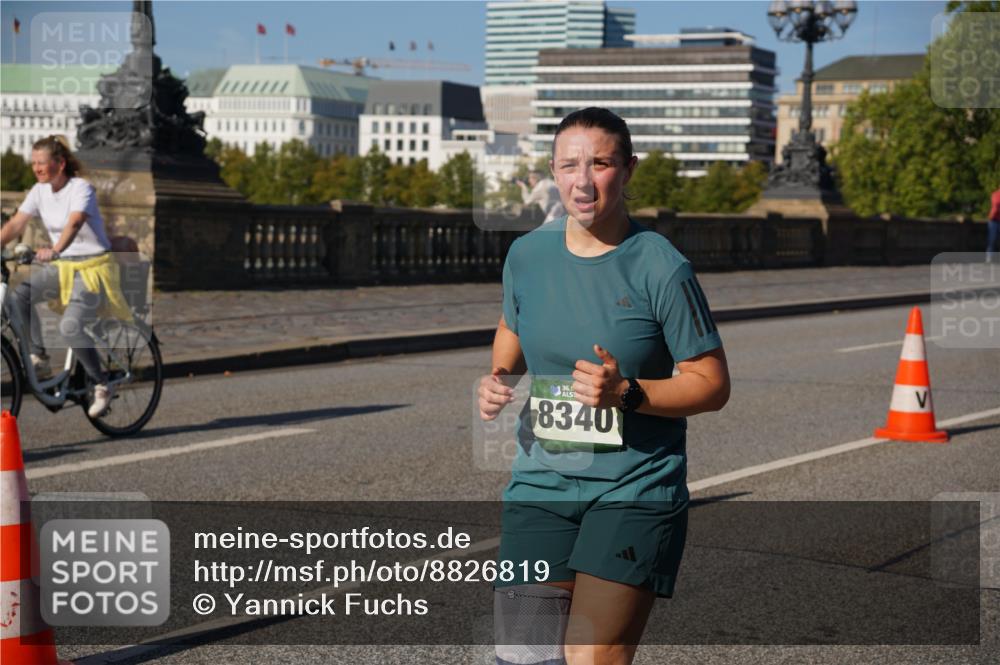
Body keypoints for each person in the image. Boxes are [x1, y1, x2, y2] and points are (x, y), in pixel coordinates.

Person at [479, 108, 730, 665]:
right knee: (523, 655)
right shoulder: (527, 255)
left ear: (628, 169)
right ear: (552, 170)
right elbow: (512, 326)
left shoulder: (661, 267)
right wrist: (500, 378)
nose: (583, 180)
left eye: (601, 163)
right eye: (569, 165)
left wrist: (627, 393)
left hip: (635, 488)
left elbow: (712, 383)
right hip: (543, 484)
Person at [0, 135, 130, 418]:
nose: (36, 168)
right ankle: (40, 358)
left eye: (42, 163)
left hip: (93, 267)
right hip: (64, 267)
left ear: (59, 164)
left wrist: (55, 249)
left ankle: (101, 383)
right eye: (33, 163)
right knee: (18, 296)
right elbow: (17, 223)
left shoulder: (80, 188)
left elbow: (75, 222)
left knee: (70, 327)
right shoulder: (39, 191)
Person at [987, 186, 1000, 263]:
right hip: (994, 220)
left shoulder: (994, 194)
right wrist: (992, 216)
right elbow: (996, 206)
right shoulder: (996, 194)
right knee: (992, 240)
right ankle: (989, 257)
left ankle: (990, 258)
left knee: (992, 240)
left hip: (994, 220)